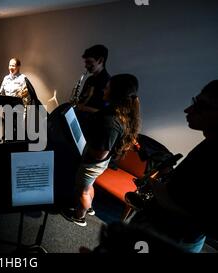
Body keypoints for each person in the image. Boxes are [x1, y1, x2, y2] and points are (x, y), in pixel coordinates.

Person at [129, 80, 218, 253]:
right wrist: (168, 173)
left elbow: (210, 221)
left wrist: (161, 192)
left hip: (169, 238)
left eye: (201, 106)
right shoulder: (210, 141)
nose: (188, 110)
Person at [62, 74, 141, 227]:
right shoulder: (120, 113)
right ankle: (89, 206)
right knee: (88, 185)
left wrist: (82, 148)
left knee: (82, 190)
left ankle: (80, 216)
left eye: (108, 87)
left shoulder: (110, 121)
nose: (104, 89)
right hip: (100, 164)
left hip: (93, 163)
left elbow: (99, 153)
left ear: (115, 93)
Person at [76, 44, 111, 114]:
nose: (86, 66)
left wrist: (82, 108)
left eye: (89, 62)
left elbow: (105, 112)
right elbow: (81, 100)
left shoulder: (108, 83)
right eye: (86, 62)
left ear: (101, 61)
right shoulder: (90, 79)